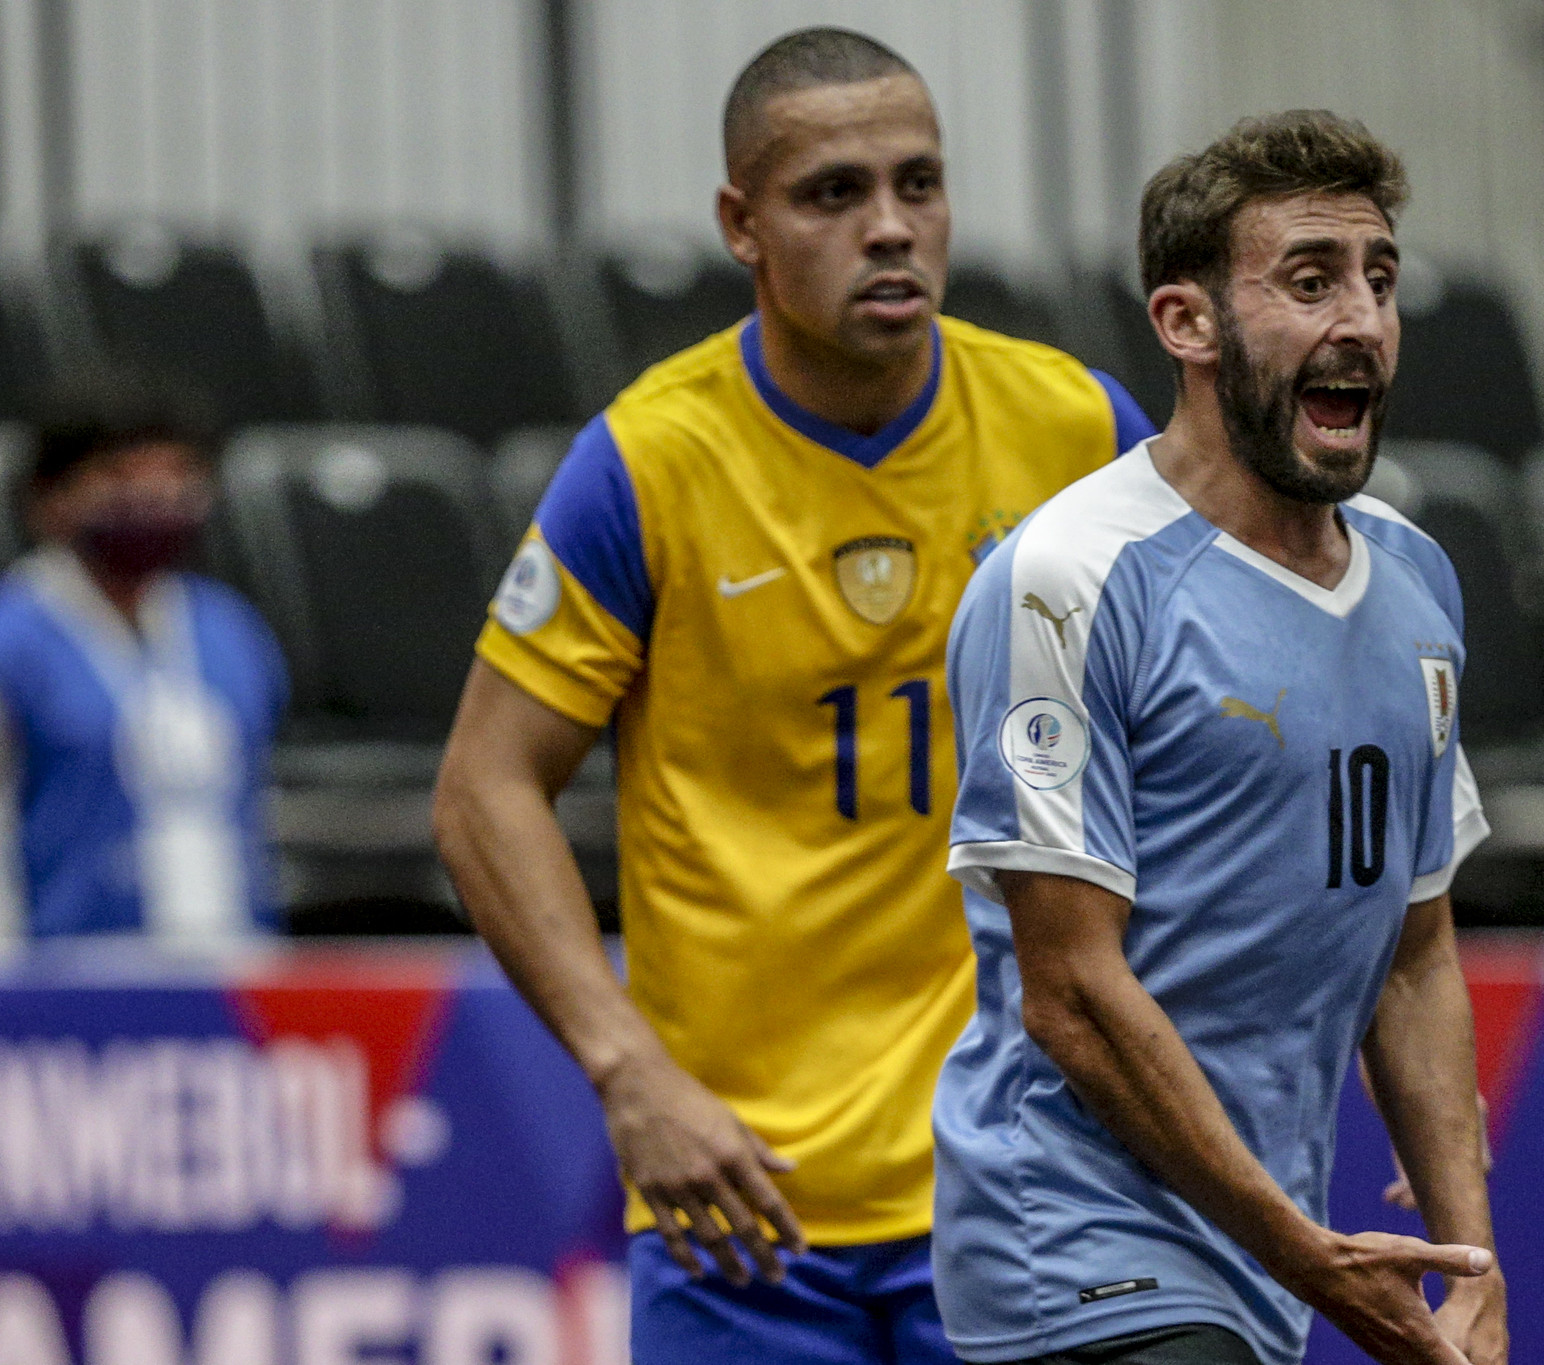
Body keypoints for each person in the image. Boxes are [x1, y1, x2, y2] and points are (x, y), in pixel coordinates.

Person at [431, 27, 1157, 1365]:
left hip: (1024, 1188)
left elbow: (1214, 742)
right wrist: (625, 1070)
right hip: (741, 1207)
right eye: (833, 193)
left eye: (917, 184)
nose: (890, 227)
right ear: (740, 223)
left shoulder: (1079, 432)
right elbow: (484, 787)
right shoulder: (648, 464)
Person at [934, 111, 1504, 1365]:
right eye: (1309, 281)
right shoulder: (1070, 578)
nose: (1359, 317)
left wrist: (1474, 1279)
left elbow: (1412, 956)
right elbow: (1072, 995)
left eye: (1378, 278)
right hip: (1077, 1246)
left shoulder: (1415, 580)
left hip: (1263, 1255)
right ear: (1187, 323)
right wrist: (1311, 1260)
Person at [0, 378, 286, 945]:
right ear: (49, 498)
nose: (155, 500)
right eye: (122, 479)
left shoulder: (232, 631)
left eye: (178, 477)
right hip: (54, 990)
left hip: (231, 978)